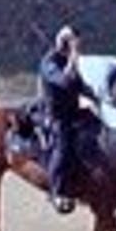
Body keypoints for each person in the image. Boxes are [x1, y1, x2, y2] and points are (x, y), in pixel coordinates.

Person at [36, 26, 92, 214]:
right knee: (64, 145)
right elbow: (66, 82)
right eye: (76, 45)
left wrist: (95, 95)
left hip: (72, 109)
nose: (80, 49)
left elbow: (78, 84)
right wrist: (74, 57)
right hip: (56, 115)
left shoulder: (67, 59)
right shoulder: (49, 63)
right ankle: (56, 190)